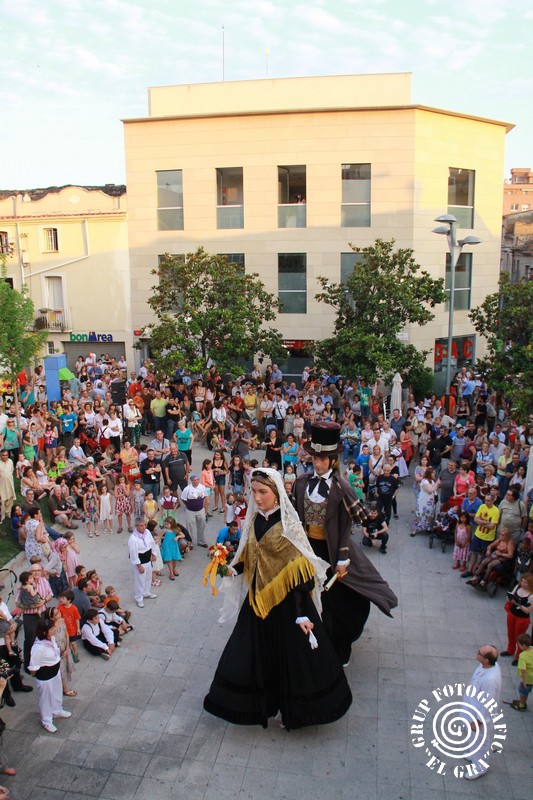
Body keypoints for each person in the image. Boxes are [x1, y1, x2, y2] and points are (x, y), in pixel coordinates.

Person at [203, 468, 352, 730]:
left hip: (288, 606)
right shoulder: (254, 521)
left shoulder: (288, 527)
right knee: (250, 651)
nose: (257, 498)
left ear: (277, 493)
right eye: (254, 491)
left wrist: (302, 614)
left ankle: (291, 710)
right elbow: (251, 557)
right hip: (257, 601)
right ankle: (260, 704)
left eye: (263, 492)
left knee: (291, 658)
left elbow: (300, 573)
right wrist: (231, 568)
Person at [292, 422, 397, 666]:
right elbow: (294, 517)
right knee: (302, 596)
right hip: (308, 551)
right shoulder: (302, 482)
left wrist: (343, 557)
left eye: (323, 459)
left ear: (332, 460)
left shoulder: (341, 486)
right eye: (315, 457)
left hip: (333, 552)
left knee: (340, 603)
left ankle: (339, 647)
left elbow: (357, 519)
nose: (318, 463)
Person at [461, 644, 501, 780]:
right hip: (471, 709)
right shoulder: (486, 666)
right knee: (474, 740)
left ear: (486, 660)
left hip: (478, 718)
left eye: (480, 652)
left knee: (480, 742)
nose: (477, 652)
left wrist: (478, 722)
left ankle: (480, 768)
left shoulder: (490, 680)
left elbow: (487, 703)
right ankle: (474, 755)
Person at [28, 617, 73, 734]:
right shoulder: (38, 648)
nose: (54, 630)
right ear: (44, 632)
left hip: (55, 671)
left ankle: (57, 710)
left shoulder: (51, 639)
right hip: (45, 676)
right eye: (51, 629)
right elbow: (33, 668)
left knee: (57, 691)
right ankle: (47, 721)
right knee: (45, 698)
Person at [500, 574, 533, 664]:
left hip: (522, 619)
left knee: (519, 637)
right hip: (512, 614)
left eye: (525, 582)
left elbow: (528, 611)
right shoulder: (517, 587)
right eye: (522, 581)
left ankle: (519, 656)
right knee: (510, 633)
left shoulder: (531, 596)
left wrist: (518, 604)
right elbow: (509, 597)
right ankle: (510, 650)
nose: (523, 584)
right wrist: (509, 598)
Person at [127, 520, 157, 608]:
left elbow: (152, 543)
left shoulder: (147, 532)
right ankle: (139, 598)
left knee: (148, 578)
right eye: (141, 526)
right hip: (141, 561)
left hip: (148, 559)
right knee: (140, 581)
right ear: (136, 527)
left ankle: (146, 592)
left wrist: (154, 554)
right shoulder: (133, 539)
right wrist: (139, 566)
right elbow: (133, 554)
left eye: (144, 525)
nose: (144, 527)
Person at [180, 475, 208, 548]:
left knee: (202, 526)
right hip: (190, 511)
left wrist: (205, 509)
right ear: (191, 481)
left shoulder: (202, 487)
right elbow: (183, 498)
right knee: (190, 527)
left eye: (197, 480)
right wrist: (188, 505)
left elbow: (205, 496)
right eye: (194, 480)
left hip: (200, 510)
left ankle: (201, 541)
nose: (196, 482)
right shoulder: (187, 489)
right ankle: (190, 543)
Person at [410, 468, 439, 537]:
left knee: (429, 514)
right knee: (420, 514)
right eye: (433, 473)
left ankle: (427, 527)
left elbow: (434, 490)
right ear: (429, 474)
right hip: (423, 501)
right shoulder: (424, 481)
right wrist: (437, 484)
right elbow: (430, 490)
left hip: (430, 501)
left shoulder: (432, 481)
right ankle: (415, 530)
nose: (434, 474)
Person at [508, 633, 532, 712]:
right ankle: (522, 703)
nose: (519, 646)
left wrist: (524, 682)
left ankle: (521, 705)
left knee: (523, 692)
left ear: (524, 645)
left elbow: (523, 671)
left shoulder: (523, 656)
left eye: (519, 645)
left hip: (527, 679)